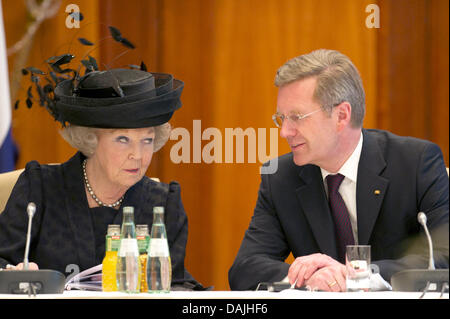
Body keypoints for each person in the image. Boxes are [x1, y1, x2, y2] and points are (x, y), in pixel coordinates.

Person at [228, 49, 449, 292]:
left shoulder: (415, 164)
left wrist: (357, 273)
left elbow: (443, 256)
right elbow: (245, 268)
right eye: (281, 118)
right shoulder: (281, 177)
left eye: (297, 117)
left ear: (341, 115)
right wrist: (309, 276)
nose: (285, 132)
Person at [0, 63, 204, 289]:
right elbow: (2, 262)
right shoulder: (39, 189)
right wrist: (14, 273)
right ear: (90, 140)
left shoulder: (163, 204)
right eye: (122, 140)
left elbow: (176, 285)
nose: (137, 155)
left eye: (147, 140)